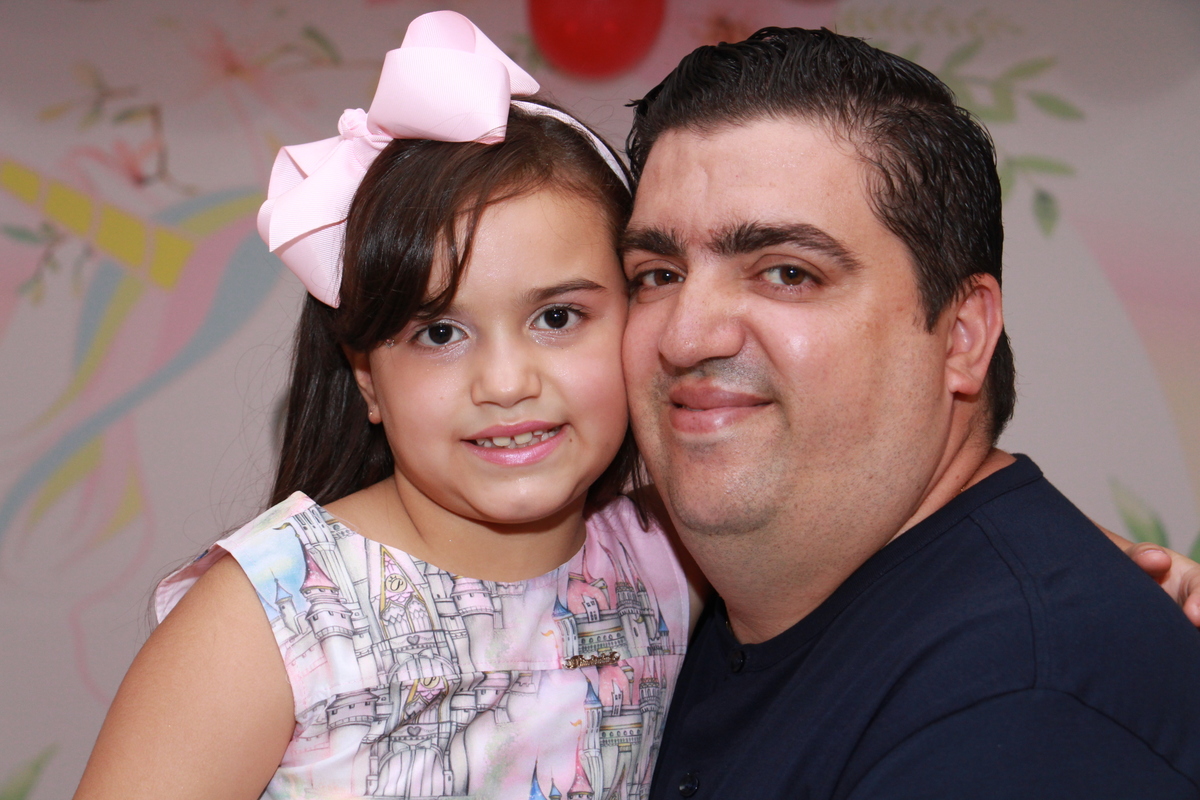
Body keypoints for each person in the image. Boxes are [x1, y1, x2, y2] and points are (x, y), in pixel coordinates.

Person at [72, 12, 697, 800]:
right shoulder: (268, 618)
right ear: (366, 376)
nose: (506, 382)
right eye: (440, 333)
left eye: (557, 317)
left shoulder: (677, 557)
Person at [619, 26, 1200, 799]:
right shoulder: (658, 606)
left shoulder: (1019, 706)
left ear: (962, 337)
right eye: (657, 274)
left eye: (787, 272)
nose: (686, 336)